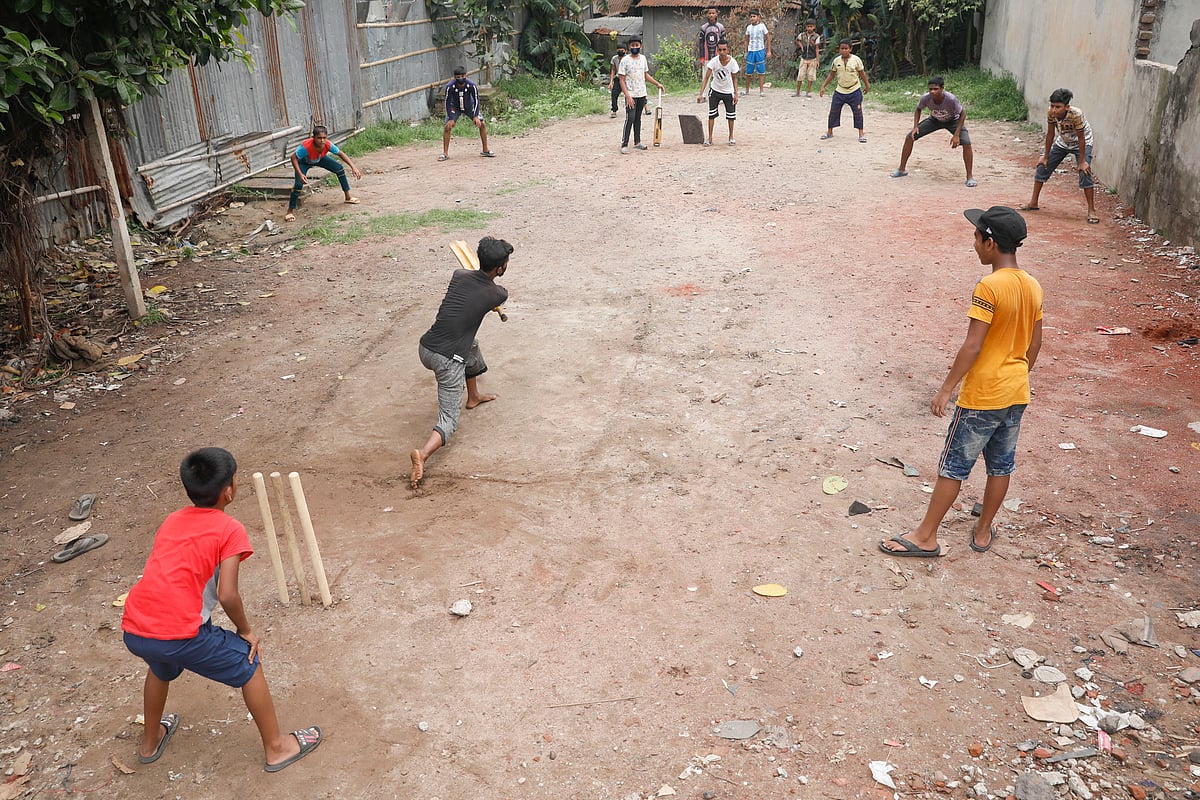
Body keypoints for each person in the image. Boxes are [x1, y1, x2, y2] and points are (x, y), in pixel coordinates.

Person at [121, 448, 322, 772]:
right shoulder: (229, 529)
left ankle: (150, 741)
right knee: (248, 661)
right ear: (228, 491)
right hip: (180, 634)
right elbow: (228, 594)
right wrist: (245, 630)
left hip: (136, 627)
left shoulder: (172, 520)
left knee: (160, 666)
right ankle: (276, 748)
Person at [880, 207, 1043, 558]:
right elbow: (1035, 343)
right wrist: (1016, 374)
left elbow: (973, 345)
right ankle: (983, 530)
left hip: (983, 394)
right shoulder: (1032, 285)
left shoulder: (989, 286)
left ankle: (926, 536)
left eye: (976, 238)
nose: (974, 244)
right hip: (1016, 390)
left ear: (990, 243)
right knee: (1001, 464)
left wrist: (946, 388)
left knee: (953, 466)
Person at [411, 236, 513, 489]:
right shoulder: (497, 293)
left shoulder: (459, 275)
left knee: (472, 346)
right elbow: (494, 295)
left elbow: (472, 285)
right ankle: (422, 455)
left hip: (426, 347)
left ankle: (473, 396)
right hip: (447, 360)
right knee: (449, 419)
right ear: (500, 268)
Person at [1022, 88, 1099, 223]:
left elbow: (1081, 138)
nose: (1054, 110)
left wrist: (1082, 162)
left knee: (1084, 172)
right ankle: (1033, 202)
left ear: (1067, 107)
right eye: (1052, 106)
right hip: (1063, 142)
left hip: (1082, 143)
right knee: (1042, 167)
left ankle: (1091, 211)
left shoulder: (1076, 114)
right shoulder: (1051, 113)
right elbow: (1050, 134)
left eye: (1058, 107)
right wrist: (1045, 156)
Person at [891, 75, 976, 187]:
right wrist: (915, 127)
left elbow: (962, 114)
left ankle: (969, 177)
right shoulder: (926, 98)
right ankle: (901, 169)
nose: (932, 92)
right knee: (909, 137)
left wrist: (956, 135)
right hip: (935, 120)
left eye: (936, 89)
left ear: (942, 88)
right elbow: (918, 109)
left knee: (967, 143)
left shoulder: (951, 99)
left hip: (953, 121)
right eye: (930, 89)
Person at [284, 125, 361, 222]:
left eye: (324, 138)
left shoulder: (328, 144)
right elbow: (293, 157)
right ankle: (290, 211)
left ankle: (348, 197)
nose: (322, 140)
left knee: (339, 169)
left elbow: (341, 154)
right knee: (298, 185)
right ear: (313, 138)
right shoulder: (306, 147)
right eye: (319, 138)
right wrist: (300, 174)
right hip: (303, 162)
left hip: (319, 158)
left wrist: (353, 167)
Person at [618, 38, 665, 154]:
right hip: (631, 94)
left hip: (641, 94)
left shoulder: (643, 58)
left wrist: (657, 84)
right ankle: (624, 144)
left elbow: (645, 75)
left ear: (641, 46)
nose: (635, 47)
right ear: (629, 47)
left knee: (638, 118)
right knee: (630, 118)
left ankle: (637, 142)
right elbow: (621, 80)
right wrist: (627, 96)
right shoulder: (625, 60)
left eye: (637, 45)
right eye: (632, 45)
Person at [818, 39, 870, 142]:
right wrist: (823, 86)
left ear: (850, 49)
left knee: (858, 112)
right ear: (839, 49)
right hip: (840, 90)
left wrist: (867, 85)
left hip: (854, 90)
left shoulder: (856, 60)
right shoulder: (836, 61)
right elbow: (831, 74)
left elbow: (862, 73)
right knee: (833, 111)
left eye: (846, 48)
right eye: (842, 48)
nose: (844, 50)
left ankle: (861, 134)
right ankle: (829, 132)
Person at [441, 67, 493, 161]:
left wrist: (476, 115)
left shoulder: (471, 85)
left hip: (469, 106)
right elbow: (447, 102)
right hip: (455, 107)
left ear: (466, 75)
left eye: (462, 76)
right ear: (454, 77)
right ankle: (445, 153)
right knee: (447, 127)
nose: (460, 78)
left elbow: (476, 99)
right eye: (458, 77)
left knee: (482, 124)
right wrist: (451, 118)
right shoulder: (449, 87)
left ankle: (485, 150)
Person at [698, 40, 739, 146]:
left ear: (728, 50)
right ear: (717, 50)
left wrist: (736, 93)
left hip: (728, 91)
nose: (722, 52)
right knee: (711, 114)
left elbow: (734, 78)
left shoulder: (733, 62)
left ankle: (731, 136)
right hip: (715, 90)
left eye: (724, 49)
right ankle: (710, 138)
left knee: (731, 115)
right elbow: (706, 78)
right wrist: (701, 93)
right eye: (720, 50)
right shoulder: (714, 61)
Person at [743, 11, 771, 96]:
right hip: (751, 51)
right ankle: (747, 90)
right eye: (751, 16)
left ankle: (761, 91)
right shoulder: (748, 28)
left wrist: (769, 51)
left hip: (760, 50)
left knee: (761, 71)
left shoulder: (762, 26)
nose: (752, 18)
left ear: (758, 17)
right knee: (748, 72)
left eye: (754, 16)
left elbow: (768, 38)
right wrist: (745, 52)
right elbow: (746, 40)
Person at [793, 19, 821, 97]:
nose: (809, 28)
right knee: (800, 75)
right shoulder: (802, 35)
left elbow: (817, 48)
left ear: (814, 27)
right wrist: (801, 46)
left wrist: (817, 60)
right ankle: (798, 92)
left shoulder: (816, 37)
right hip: (804, 58)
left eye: (811, 26)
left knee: (810, 76)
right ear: (806, 27)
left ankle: (808, 92)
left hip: (813, 58)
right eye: (808, 26)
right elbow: (797, 40)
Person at [697, 8, 726, 74]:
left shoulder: (721, 27)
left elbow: (724, 43)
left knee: (719, 77)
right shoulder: (704, 27)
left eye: (713, 13)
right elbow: (701, 43)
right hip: (706, 57)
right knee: (706, 77)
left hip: (718, 57)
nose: (711, 15)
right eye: (710, 13)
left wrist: (723, 56)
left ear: (716, 14)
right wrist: (702, 57)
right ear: (707, 14)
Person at [607, 46, 628, 118]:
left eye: (622, 50)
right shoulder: (614, 58)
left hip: (627, 79)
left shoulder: (628, 58)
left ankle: (629, 110)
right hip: (618, 78)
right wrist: (611, 82)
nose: (620, 51)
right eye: (619, 50)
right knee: (614, 94)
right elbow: (613, 70)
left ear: (625, 51)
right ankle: (614, 110)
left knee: (629, 94)